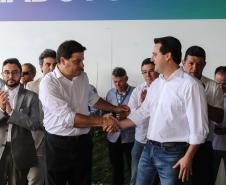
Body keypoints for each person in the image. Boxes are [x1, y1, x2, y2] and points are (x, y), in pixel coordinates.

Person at [118, 36, 209, 185]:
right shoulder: (156, 84)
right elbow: (142, 113)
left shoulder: (191, 86)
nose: (152, 59)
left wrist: (188, 158)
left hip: (173, 154)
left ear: (167, 56)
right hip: (148, 149)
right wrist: (117, 124)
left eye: (155, 54)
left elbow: (200, 129)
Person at [39, 40, 129, 185]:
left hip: (83, 142)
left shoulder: (82, 76)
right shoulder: (49, 83)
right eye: (77, 61)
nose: (82, 65)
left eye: (82, 60)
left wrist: (114, 108)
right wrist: (103, 121)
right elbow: (68, 118)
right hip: (58, 144)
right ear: (62, 60)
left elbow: (92, 98)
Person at [183, 46, 224, 185]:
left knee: (202, 181)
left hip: (203, 144)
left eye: (199, 64)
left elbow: (219, 117)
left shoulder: (214, 87)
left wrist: (199, 100)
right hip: (177, 143)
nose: (194, 68)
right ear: (183, 62)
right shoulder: (173, 84)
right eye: (191, 63)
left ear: (205, 65)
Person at [0, 58, 42, 185]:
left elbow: (35, 124)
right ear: (2, 74)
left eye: (15, 72)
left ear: (20, 74)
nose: (10, 76)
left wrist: (12, 112)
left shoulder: (31, 96)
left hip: (21, 151)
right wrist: (2, 110)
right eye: (6, 72)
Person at [26, 49, 57, 185]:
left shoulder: (66, 86)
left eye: (55, 65)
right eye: (48, 64)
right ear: (41, 66)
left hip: (59, 139)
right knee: (35, 179)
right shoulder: (31, 86)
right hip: (37, 139)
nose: (52, 68)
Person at [128, 58, 159, 185]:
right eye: (144, 72)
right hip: (141, 140)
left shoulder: (165, 88)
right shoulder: (138, 90)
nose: (148, 75)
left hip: (159, 142)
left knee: (158, 178)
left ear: (157, 70)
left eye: (151, 71)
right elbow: (131, 115)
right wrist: (143, 103)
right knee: (136, 176)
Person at [106, 67, 135, 185]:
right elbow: (105, 112)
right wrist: (112, 114)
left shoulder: (135, 92)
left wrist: (127, 115)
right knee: (116, 169)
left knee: (133, 168)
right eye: (115, 82)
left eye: (120, 81)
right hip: (113, 137)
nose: (117, 84)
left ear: (126, 79)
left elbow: (141, 112)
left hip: (130, 137)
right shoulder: (110, 93)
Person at [212, 66, 226, 182]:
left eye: (224, 84)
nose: (221, 87)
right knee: (209, 177)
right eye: (218, 83)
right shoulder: (209, 95)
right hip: (212, 145)